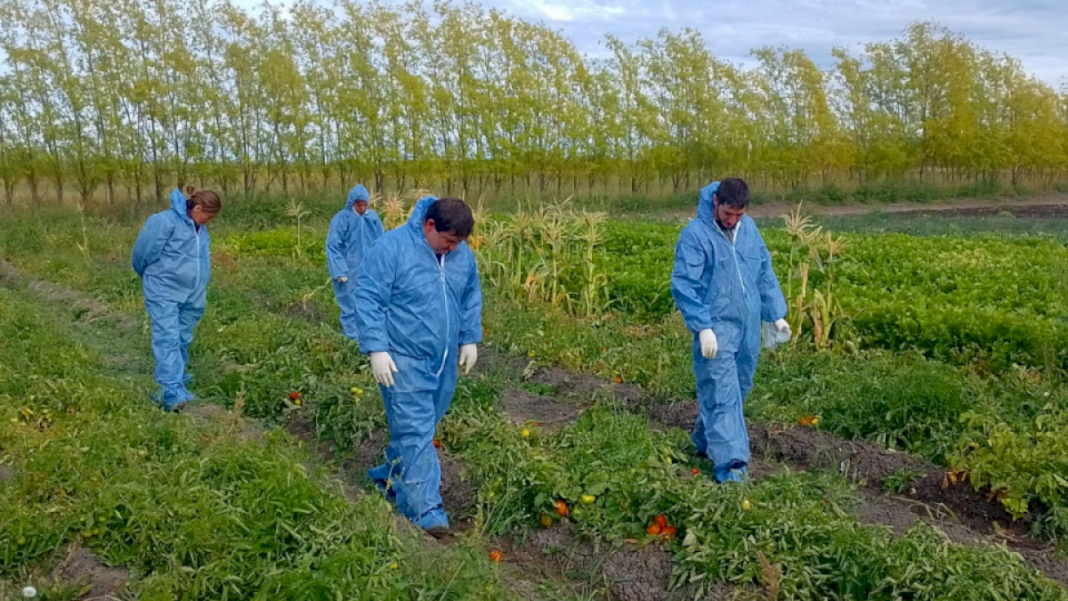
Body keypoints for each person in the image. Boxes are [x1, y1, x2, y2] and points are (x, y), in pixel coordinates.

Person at [355, 196, 482, 536]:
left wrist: (468, 337)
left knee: (425, 425)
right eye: (448, 241)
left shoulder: (459, 253)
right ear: (429, 226)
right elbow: (367, 296)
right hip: (403, 358)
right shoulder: (392, 248)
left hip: (442, 361)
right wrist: (376, 348)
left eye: (459, 243)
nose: (453, 249)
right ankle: (425, 509)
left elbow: (469, 293)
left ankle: (391, 474)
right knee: (415, 430)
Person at [670, 178, 790, 483]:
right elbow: (685, 284)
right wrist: (703, 327)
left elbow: (763, 271)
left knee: (737, 389)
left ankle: (704, 441)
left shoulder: (748, 229)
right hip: (717, 329)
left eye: (739, 214)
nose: (733, 220)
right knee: (722, 394)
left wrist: (775, 315)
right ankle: (733, 470)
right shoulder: (696, 235)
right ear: (715, 203)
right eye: (728, 214)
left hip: (747, 327)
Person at [132, 187, 221, 412]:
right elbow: (142, 253)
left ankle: (177, 378)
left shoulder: (200, 229)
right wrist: (154, 278)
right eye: (208, 216)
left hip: (192, 292)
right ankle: (169, 390)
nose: (209, 221)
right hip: (164, 290)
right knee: (167, 337)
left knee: (182, 336)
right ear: (197, 208)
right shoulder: (164, 222)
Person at [326, 184, 384, 339]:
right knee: (350, 303)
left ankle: (369, 335)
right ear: (352, 203)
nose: (363, 208)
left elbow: (381, 242)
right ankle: (352, 338)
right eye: (360, 205)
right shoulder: (341, 220)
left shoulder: (372, 219)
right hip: (349, 269)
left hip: (369, 268)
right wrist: (339, 270)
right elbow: (333, 246)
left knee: (370, 301)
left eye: (366, 205)